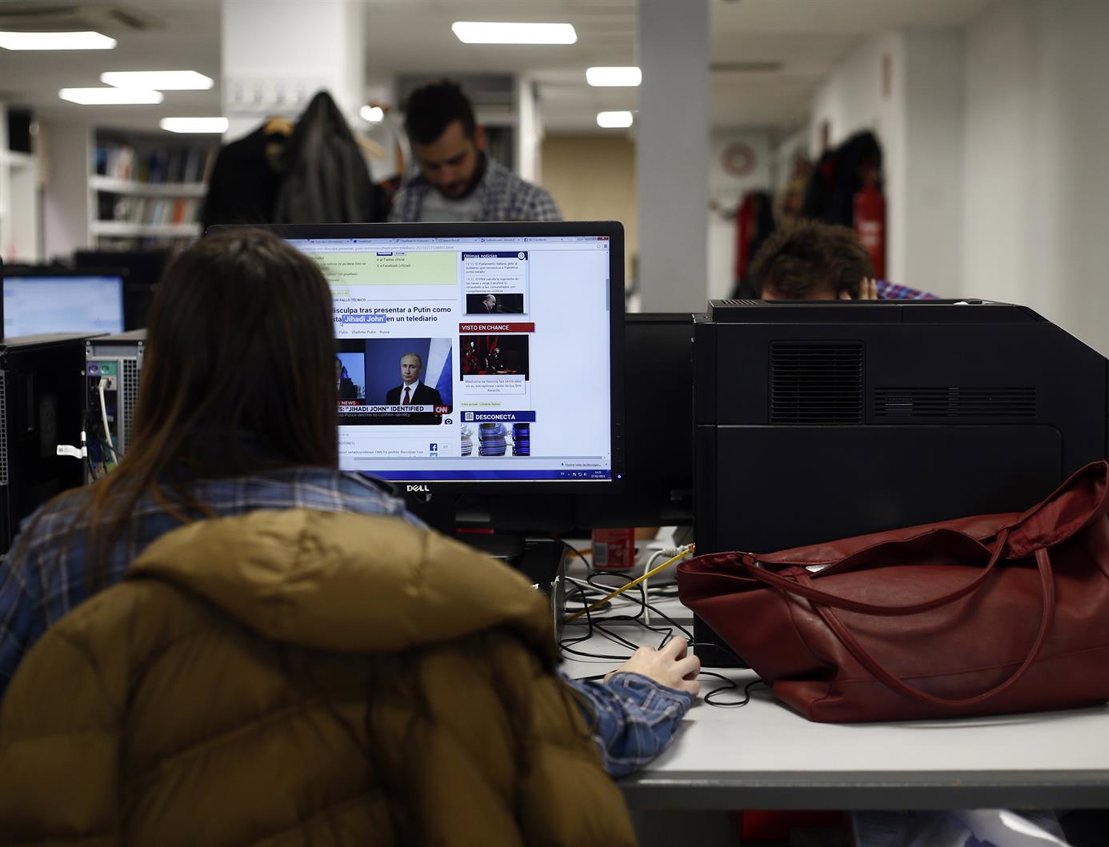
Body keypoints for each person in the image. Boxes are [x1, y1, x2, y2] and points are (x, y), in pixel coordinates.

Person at [0, 229, 698, 843]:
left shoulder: (59, 546)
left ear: (159, 367)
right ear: (317, 373)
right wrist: (638, 689)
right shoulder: (391, 552)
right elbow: (537, 732)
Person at [388, 80, 562, 223]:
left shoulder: (529, 204)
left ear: (479, 137)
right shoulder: (405, 201)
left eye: (455, 161)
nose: (446, 177)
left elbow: (554, 266)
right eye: (432, 166)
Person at [749, 219, 936, 301]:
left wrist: (870, 343)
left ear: (852, 300)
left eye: (805, 318)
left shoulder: (934, 322)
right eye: (772, 313)